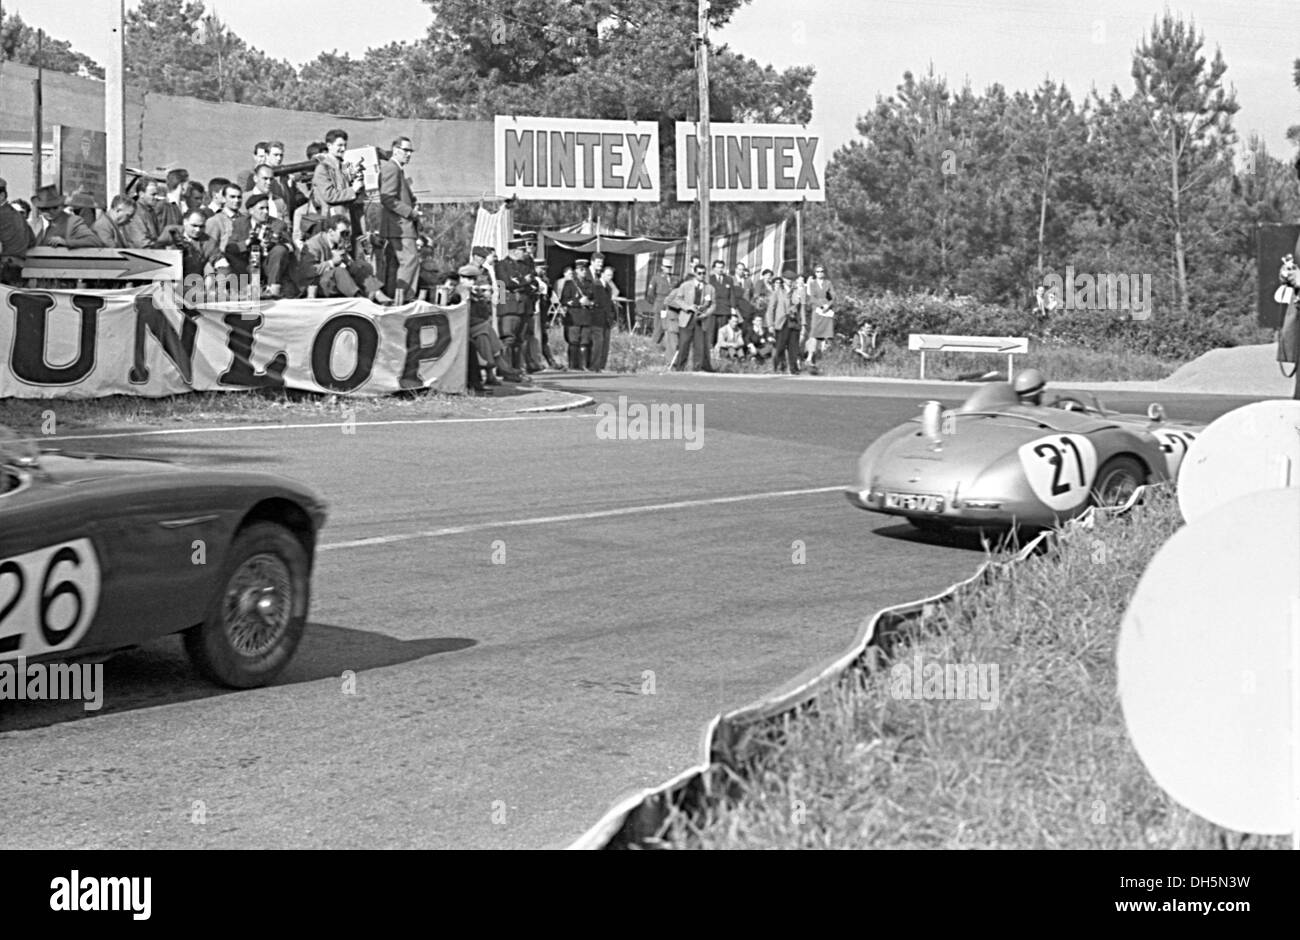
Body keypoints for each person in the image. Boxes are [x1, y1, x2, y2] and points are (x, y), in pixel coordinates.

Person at [453, 263, 527, 387]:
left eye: (473, 278)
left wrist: (479, 298)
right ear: (460, 278)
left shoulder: (473, 293)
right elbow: (463, 314)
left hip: (472, 328)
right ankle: (501, 367)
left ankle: (491, 374)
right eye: (468, 278)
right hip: (460, 327)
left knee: (483, 337)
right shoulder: (459, 291)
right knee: (486, 328)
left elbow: (481, 314)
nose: (471, 281)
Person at [298, 216, 391, 303]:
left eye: (347, 233)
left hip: (333, 281)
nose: (345, 237)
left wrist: (348, 261)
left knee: (358, 266)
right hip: (315, 285)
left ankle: (377, 294)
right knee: (339, 271)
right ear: (331, 232)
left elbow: (351, 266)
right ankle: (358, 299)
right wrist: (331, 262)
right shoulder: (313, 244)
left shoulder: (339, 241)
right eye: (343, 233)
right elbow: (307, 271)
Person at [227, 193, 298, 297]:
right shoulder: (240, 223)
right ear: (251, 211)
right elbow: (230, 246)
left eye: (267, 208)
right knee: (230, 253)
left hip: (268, 265)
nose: (265, 212)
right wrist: (248, 242)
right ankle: (242, 287)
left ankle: (273, 288)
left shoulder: (278, 224)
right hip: (247, 264)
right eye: (261, 208)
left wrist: (273, 243)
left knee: (279, 250)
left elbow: (291, 247)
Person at [379, 135, 421, 299]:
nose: (409, 154)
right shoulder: (392, 168)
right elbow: (387, 198)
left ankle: (393, 299)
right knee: (410, 262)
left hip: (396, 227)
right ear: (396, 151)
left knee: (394, 265)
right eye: (405, 150)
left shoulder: (396, 169)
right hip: (400, 227)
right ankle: (404, 300)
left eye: (411, 151)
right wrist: (411, 212)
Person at [667, 261, 716, 372]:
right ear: (695, 273)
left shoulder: (710, 288)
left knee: (699, 347)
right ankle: (680, 368)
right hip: (687, 319)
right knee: (684, 345)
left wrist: (706, 314)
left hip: (700, 320)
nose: (702, 275)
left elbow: (713, 304)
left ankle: (697, 369)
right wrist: (688, 307)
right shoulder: (685, 285)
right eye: (699, 273)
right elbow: (678, 299)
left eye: (704, 273)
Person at [497, 237, 537, 371]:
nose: (524, 253)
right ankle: (505, 368)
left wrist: (520, 283)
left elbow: (533, 282)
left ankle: (517, 368)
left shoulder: (525, 265)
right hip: (509, 306)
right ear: (514, 251)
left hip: (524, 306)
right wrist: (523, 282)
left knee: (520, 339)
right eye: (522, 250)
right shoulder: (502, 265)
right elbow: (504, 284)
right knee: (508, 339)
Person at [31, 186, 103, 247]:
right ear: (39, 209)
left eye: (55, 207)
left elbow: (94, 241)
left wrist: (66, 242)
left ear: (61, 206)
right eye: (45, 209)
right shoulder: (33, 224)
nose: (51, 211)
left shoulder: (73, 221)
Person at [560, 256, 597, 370]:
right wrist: (578, 301)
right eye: (581, 269)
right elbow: (564, 300)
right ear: (576, 270)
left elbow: (596, 299)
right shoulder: (570, 284)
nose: (584, 272)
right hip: (574, 317)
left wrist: (590, 302)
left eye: (585, 269)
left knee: (585, 342)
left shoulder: (591, 284)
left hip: (586, 317)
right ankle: (572, 365)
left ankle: (584, 365)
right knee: (573, 342)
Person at [767, 271, 802, 374]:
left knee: (793, 347)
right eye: (788, 279)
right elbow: (770, 309)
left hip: (793, 322)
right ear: (784, 280)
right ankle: (777, 367)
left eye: (792, 280)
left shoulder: (796, 292)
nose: (790, 281)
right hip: (781, 323)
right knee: (780, 347)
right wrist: (770, 324)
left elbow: (799, 306)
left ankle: (793, 368)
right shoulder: (777, 292)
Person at [804, 262, 835, 371]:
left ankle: (822, 358)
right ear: (815, 273)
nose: (820, 273)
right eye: (817, 271)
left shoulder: (828, 283)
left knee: (825, 335)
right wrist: (822, 305)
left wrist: (828, 305)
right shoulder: (812, 284)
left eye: (821, 271)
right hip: (817, 311)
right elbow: (812, 298)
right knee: (814, 333)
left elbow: (833, 296)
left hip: (827, 311)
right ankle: (809, 357)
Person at [645, 257, 676, 354]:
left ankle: (662, 348)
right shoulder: (656, 277)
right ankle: (652, 347)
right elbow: (650, 294)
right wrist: (657, 303)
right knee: (658, 327)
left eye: (670, 267)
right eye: (667, 267)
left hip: (671, 307)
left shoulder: (674, 278)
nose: (669, 269)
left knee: (667, 328)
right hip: (660, 305)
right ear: (662, 267)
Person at [708, 258, 736, 351]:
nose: (720, 269)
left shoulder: (729, 279)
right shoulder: (709, 279)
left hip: (725, 309)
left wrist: (733, 308)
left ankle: (721, 348)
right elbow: (707, 294)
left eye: (722, 267)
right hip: (713, 308)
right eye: (718, 267)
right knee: (712, 329)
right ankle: (710, 348)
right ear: (713, 268)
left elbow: (732, 294)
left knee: (723, 329)